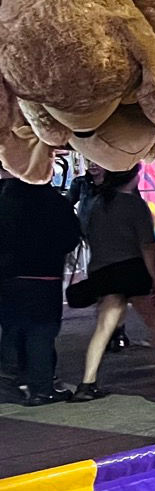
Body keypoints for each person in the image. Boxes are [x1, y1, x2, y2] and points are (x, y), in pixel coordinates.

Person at [76, 167, 155, 399]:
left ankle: (87, 383)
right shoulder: (134, 205)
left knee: (104, 328)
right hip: (132, 270)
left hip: (103, 271)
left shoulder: (96, 204)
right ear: (133, 177)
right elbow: (147, 246)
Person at [0, 165, 82, 405]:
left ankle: (11, 379)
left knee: (13, 329)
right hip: (43, 275)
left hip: (7, 276)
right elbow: (70, 237)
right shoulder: (53, 201)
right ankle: (42, 388)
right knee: (41, 332)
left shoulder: (4, 199)